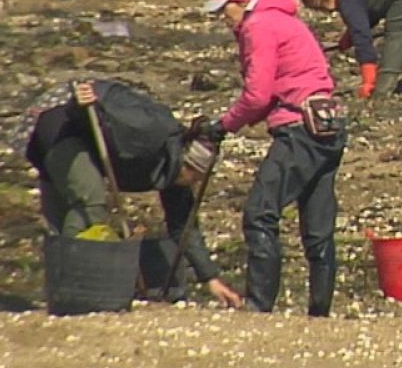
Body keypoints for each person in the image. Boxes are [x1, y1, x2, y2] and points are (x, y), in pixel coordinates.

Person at [199, 0, 346, 316]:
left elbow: (257, 95)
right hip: (328, 125)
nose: (223, 18)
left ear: (238, 1)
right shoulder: (285, 20)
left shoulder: (259, 27)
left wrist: (223, 126)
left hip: (299, 128)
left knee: (259, 214)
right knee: (318, 226)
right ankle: (320, 312)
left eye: (224, 9)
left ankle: (259, 305)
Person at [22, 78, 243, 308]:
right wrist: (81, 104)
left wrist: (210, 278)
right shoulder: (151, 130)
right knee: (90, 202)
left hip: (89, 147)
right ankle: (75, 291)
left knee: (60, 222)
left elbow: (184, 227)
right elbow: (108, 101)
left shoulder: (174, 176)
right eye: (197, 177)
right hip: (64, 127)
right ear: (187, 164)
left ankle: (64, 292)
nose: (195, 184)